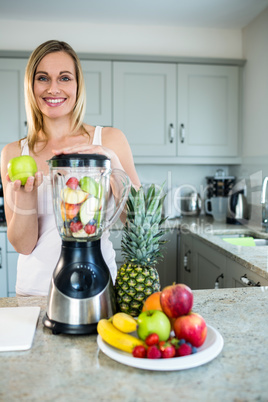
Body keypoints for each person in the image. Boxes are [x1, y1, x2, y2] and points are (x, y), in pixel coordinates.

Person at [1, 40, 140, 296]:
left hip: (99, 287)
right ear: (31, 86)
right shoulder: (13, 153)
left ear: (77, 85)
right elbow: (23, 245)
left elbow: (137, 221)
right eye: (43, 78)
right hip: (35, 292)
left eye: (64, 78)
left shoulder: (109, 140)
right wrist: (26, 196)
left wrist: (113, 164)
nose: (53, 88)